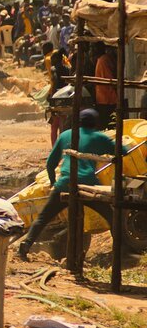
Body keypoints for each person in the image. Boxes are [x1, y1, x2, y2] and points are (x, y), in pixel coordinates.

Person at [18, 109, 117, 261]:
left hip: (65, 184)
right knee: (111, 216)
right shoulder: (99, 137)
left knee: (43, 218)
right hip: (88, 185)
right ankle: (121, 248)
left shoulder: (65, 135)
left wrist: (53, 183)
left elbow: (51, 163)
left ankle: (26, 244)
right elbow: (122, 151)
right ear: (95, 123)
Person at [94, 42, 117, 128]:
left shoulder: (103, 60)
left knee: (107, 123)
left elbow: (108, 79)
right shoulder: (103, 59)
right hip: (105, 98)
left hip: (106, 98)